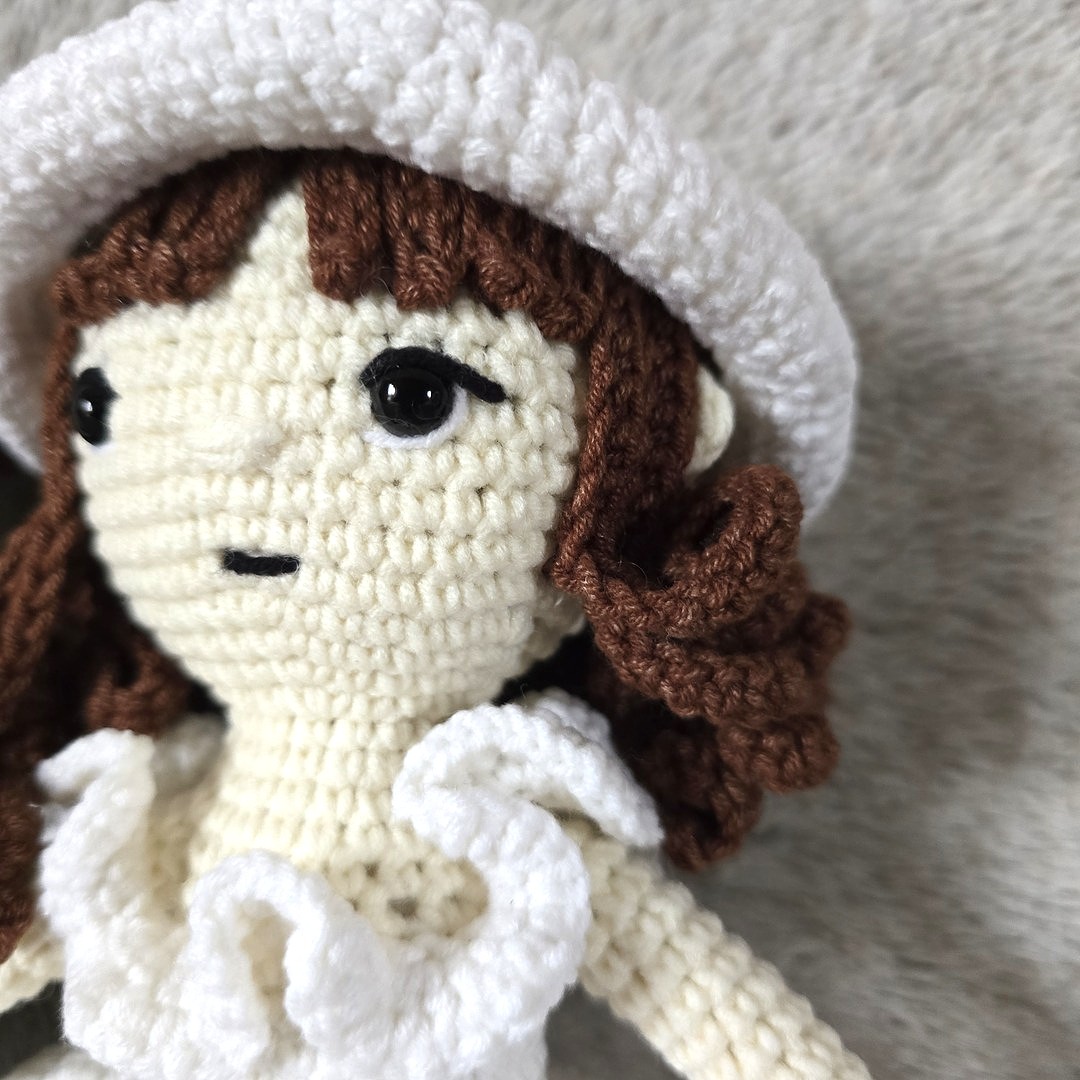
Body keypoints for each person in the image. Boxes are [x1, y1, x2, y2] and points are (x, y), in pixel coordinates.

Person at [0, 3, 864, 1078]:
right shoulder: (148, 798)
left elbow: (698, 999)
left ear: (635, 477)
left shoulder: (495, 819)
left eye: (412, 396)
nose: (231, 448)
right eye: (105, 408)